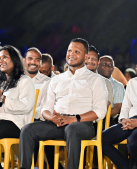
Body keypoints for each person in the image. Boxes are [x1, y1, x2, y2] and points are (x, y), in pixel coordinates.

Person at [19, 38, 108, 169]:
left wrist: (73, 119)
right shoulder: (56, 79)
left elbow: (100, 111)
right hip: (58, 123)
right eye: (69, 50)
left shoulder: (96, 80)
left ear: (86, 56)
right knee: (28, 129)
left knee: (72, 129)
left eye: (77, 51)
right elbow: (45, 108)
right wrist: (52, 117)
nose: (71, 54)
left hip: (81, 124)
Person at [102, 77, 137, 169]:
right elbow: (126, 105)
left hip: (135, 122)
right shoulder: (132, 82)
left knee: (133, 142)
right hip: (130, 120)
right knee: (102, 139)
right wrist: (124, 119)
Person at [97, 55, 125, 125]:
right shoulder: (91, 81)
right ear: (98, 66)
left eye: (110, 65)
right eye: (104, 64)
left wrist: (98, 117)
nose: (108, 67)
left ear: (113, 68)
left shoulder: (118, 86)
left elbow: (117, 108)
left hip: (108, 119)